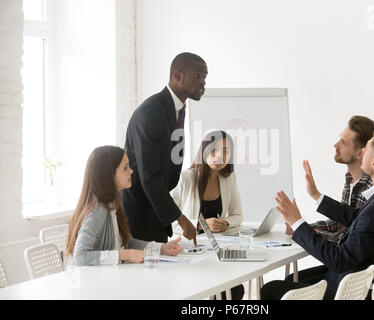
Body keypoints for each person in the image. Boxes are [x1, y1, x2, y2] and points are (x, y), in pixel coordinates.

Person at [261, 127, 374, 300]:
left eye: (367, 148)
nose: (362, 151)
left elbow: (339, 259)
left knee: (270, 289)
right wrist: (316, 196)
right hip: (369, 282)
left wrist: (298, 223)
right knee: (292, 279)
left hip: (351, 290)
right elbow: (359, 218)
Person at [121, 52, 208, 245]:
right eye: (197, 75)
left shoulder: (177, 108)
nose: (203, 82)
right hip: (140, 213)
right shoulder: (152, 112)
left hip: (155, 208)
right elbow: (149, 177)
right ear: (177, 76)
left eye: (205, 77)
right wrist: (181, 219)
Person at [66, 146, 184, 266]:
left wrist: (162, 247)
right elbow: (80, 256)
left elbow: (127, 243)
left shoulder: (112, 205)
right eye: (125, 168)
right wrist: (125, 254)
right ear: (109, 175)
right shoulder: (97, 210)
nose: (131, 171)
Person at [171, 131, 244, 300]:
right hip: (189, 250)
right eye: (214, 149)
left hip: (216, 250)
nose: (220, 155)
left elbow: (238, 215)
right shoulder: (186, 178)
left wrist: (225, 223)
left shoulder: (229, 178)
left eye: (226, 151)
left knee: (235, 289)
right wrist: (199, 224)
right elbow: (168, 220)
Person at [286, 115, 374, 244]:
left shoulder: (371, 189)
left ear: (360, 153)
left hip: (353, 264)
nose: (335, 145)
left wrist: (305, 231)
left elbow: (350, 239)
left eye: (344, 142)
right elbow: (341, 224)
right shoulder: (351, 179)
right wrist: (301, 227)